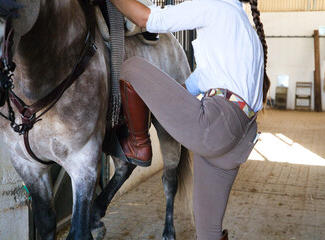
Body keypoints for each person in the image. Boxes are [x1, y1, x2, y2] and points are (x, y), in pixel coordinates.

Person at [109, 0, 270, 239]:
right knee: (208, 232)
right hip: (239, 138)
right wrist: (158, 99)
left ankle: (138, 144)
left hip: (216, 126)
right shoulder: (242, 27)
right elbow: (192, 85)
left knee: (131, 69)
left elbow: (147, 18)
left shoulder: (215, 7)